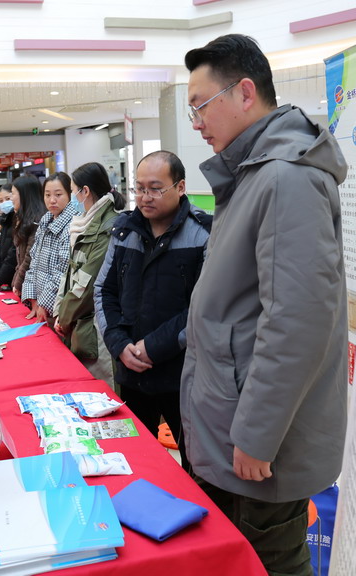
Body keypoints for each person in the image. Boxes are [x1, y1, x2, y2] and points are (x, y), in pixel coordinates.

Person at [181, 34, 347, 575]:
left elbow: (298, 322)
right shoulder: (252, 174)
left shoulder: (285, 176)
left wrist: (257, 435)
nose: (197, 123)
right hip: (233, 424)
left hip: (256, 446)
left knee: (270, 562)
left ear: (245, 92)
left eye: (201, 106)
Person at [95, 151, 211, 471]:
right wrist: (119, 344)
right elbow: (104, 290)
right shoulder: (124, 230)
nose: (145, 197)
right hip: (131, 371)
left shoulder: (204, 233)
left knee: (195, 468)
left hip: (184, 376)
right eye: (140, 188)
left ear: (180, 187)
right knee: (134, 462)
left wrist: (154, 347)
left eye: (156, 189)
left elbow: (205, 307)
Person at [54, 162, 125, 389]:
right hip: (79, 319)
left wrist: (64, 317)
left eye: (73, 191)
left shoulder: (107, 227)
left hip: (96, 322)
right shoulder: (85, 222)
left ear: (85, 191)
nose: (73, 198)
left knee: (102, 389)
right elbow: (70, 272)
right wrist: (60, 311)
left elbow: (87, 283)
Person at [21, 172, 78, 322]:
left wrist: (44, 303)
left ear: (69, 194)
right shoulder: (45, 221)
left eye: (58, 195)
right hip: (40, 304)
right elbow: (33, 261)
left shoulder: (73, 225)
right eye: (47, 195)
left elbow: (63, 270)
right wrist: (32, 297)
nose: (52, 200)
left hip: (58, 307)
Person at [10, 175, 46, 302]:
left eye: (13, 194)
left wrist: (18, 283)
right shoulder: (22, 217)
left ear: (24, 195)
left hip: (35, 290)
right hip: (24, 285)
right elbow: (19, 256)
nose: (11, 198)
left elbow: (29, 257)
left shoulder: (38, 221)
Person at [0, 185, 17, 291]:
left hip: (13, 278)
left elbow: (13, 255)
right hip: (4, 280)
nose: (4, 203)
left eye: (8, 199)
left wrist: (1, 278)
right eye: (1, 201)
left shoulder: (17, 220)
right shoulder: (5, 220)